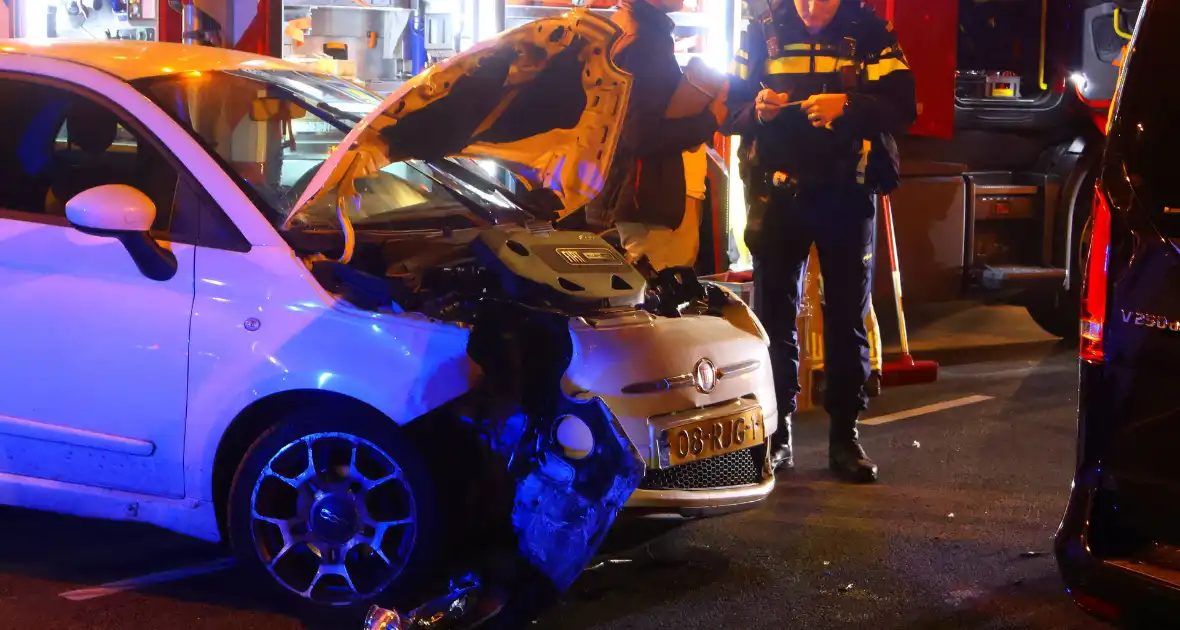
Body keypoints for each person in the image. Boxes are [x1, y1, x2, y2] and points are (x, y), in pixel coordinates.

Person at [725, 0, 917, 483]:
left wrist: (848, 106)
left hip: (846, 195)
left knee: (847, 316)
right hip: (778, 194)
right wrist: (758, 112)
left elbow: (904, 107)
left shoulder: (871, 32)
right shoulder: (760, 30)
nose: (812, 8)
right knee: (771, 315)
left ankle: (845, 437)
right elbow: (730, 111)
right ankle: (777, 432)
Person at [588, 0, 727, 270]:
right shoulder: (647, 43)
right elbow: (640, 135)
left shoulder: (626, 30)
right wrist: (710, 119)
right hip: (647, 203)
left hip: (625, 197)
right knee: (657, 301)